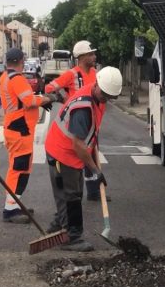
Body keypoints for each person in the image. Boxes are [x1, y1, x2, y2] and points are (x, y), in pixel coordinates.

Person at [43, 66, 122, 252]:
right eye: (105, 95)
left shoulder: (96, 95)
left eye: (110, 97)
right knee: (71, 195)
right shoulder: (83, 108)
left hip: (68, 152)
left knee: (72, 192)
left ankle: (59, 224)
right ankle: (72, 237)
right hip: (62, 153)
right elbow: (78, 145)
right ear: (97, 85)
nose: (106, 99)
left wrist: (93, 141)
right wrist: (96, 171)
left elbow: (88, 135)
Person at [0, 48, 59, 223]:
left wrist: (39, 100)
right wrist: (48, 99)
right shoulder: (17, 78)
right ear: (19, 61)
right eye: (23, 60)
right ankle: (10, 209)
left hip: (15, 127)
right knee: (19, 168)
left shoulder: (5, 77)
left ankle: (15, 204)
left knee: (20, 167)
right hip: (20, 129)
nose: (24, 62)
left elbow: (23, 100)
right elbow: (29, 101)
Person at [44, 40, 102, 203]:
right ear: (82, 57)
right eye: (91, 54)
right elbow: (50, 88)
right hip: (77, 122)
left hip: (93, 122)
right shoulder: (72, 74)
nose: (94, 56)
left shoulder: (95, 73)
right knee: (79, 157)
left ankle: (94, 192)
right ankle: (74, 200)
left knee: (92, 156)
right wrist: (66, 99)